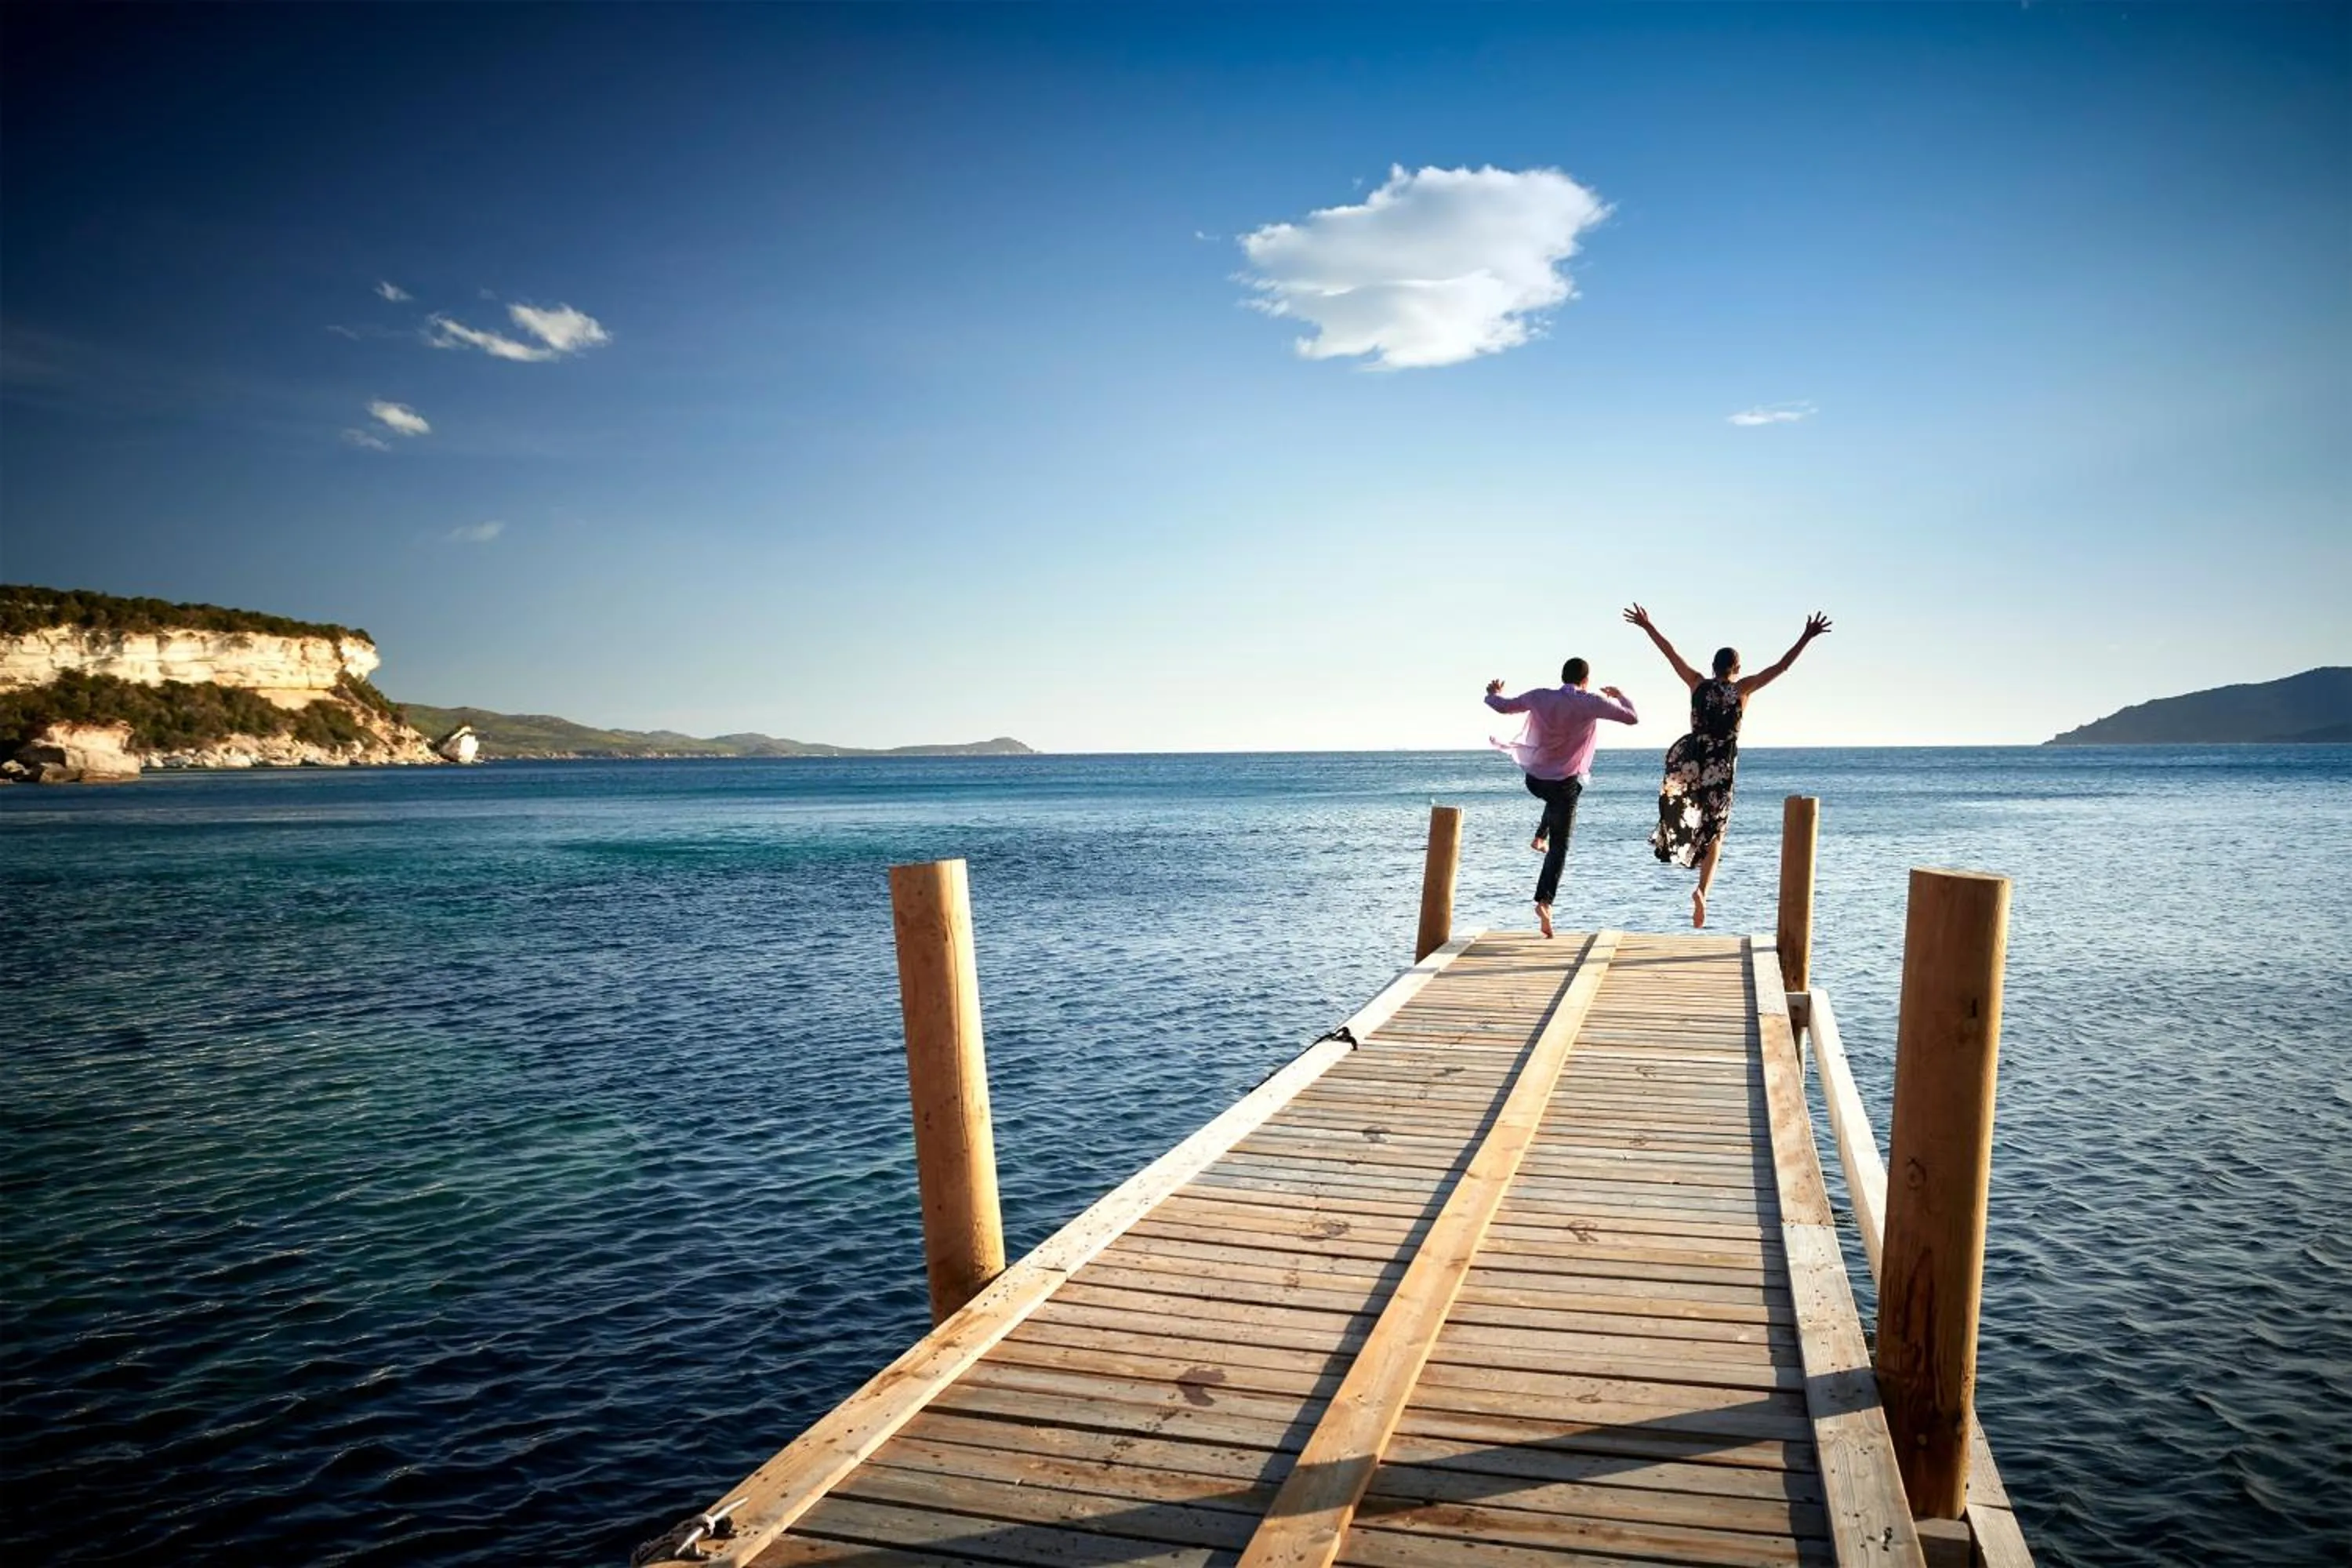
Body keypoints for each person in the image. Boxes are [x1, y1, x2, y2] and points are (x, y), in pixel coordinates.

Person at [1622, 604, 1831, 927]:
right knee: (1716, 832)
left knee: (1691, 815)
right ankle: (1703, 890)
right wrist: (1807, 636)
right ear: (1737, 667)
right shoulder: (1742, 689)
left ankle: (1681, 847)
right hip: (1720, 767)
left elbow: (1670, 653)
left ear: (1713, 666)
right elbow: (1782, 667)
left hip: (1692, 761)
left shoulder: (1696, 684)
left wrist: (1647, 626)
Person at [1485, 659, 1639, 939]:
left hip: (1536, 780)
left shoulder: (1540, 696)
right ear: (1586, 679)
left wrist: (1492, 693)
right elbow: (1632, 717)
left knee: (1563, 796)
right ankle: (1545, 901)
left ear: (1563, 676)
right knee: (1561, 845)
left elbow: (1502, 706)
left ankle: (1540, 837)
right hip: (1563, 785)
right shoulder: (1591, 701)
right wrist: (1619, 695)